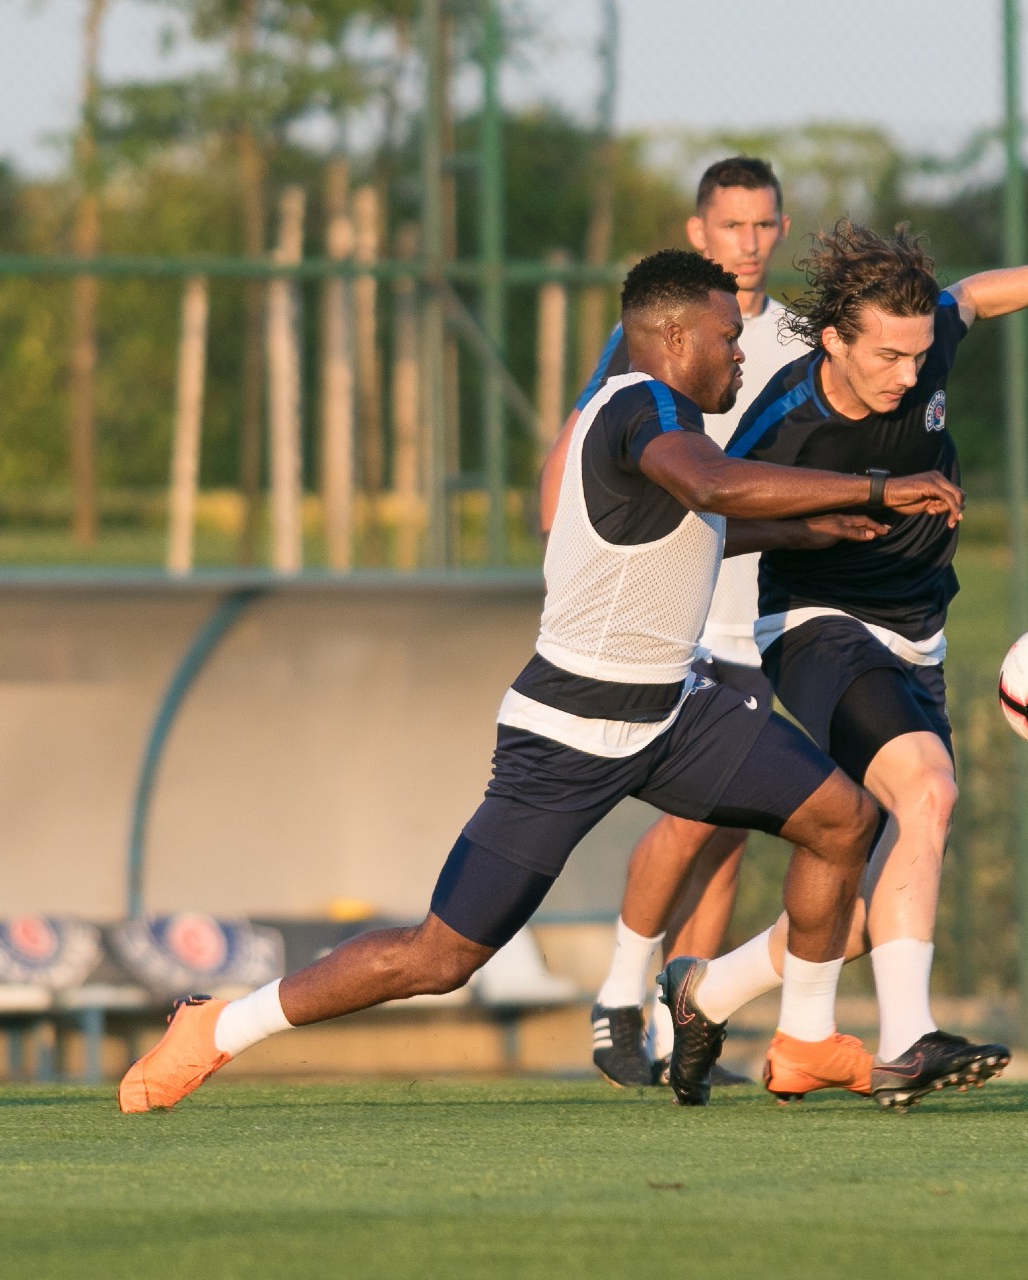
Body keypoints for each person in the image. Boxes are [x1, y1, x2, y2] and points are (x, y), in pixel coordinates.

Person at [118, 249, 966, 1112]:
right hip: (571, 727)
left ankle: (807, 1039)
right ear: (675, 337)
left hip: (672, 714)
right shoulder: (642, 406)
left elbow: (688, 526)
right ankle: (218, 1027)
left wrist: (805, 530)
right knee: (440, 957)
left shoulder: (671, 423)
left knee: (842, 819)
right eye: (727, 336)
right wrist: (877, 488)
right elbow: (709, 487)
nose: (741, 352)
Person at [665, 209, 1028, 1111]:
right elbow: (706, 522)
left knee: (878, 894)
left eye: (918, 355)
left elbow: (971, 297)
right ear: (834, 340)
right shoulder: (787, 419)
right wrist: (814, 523)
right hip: (815, 626)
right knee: (928, 793)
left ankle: (709, 993)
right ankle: (907, 1046)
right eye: (888, 357)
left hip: (918, 636)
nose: (909, 373)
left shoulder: (922, 345)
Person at [538, 158, 813, 1088]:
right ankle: (621, 994)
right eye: (731, 225)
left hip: (765, 614)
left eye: (763, 224)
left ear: (782, 230)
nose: (749, 242)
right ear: (700, 233)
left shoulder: (800, 335)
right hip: (689, 619)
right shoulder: (658, 339)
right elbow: (574, 457)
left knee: (731, 832)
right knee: (693, 822)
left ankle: (683, 1020)